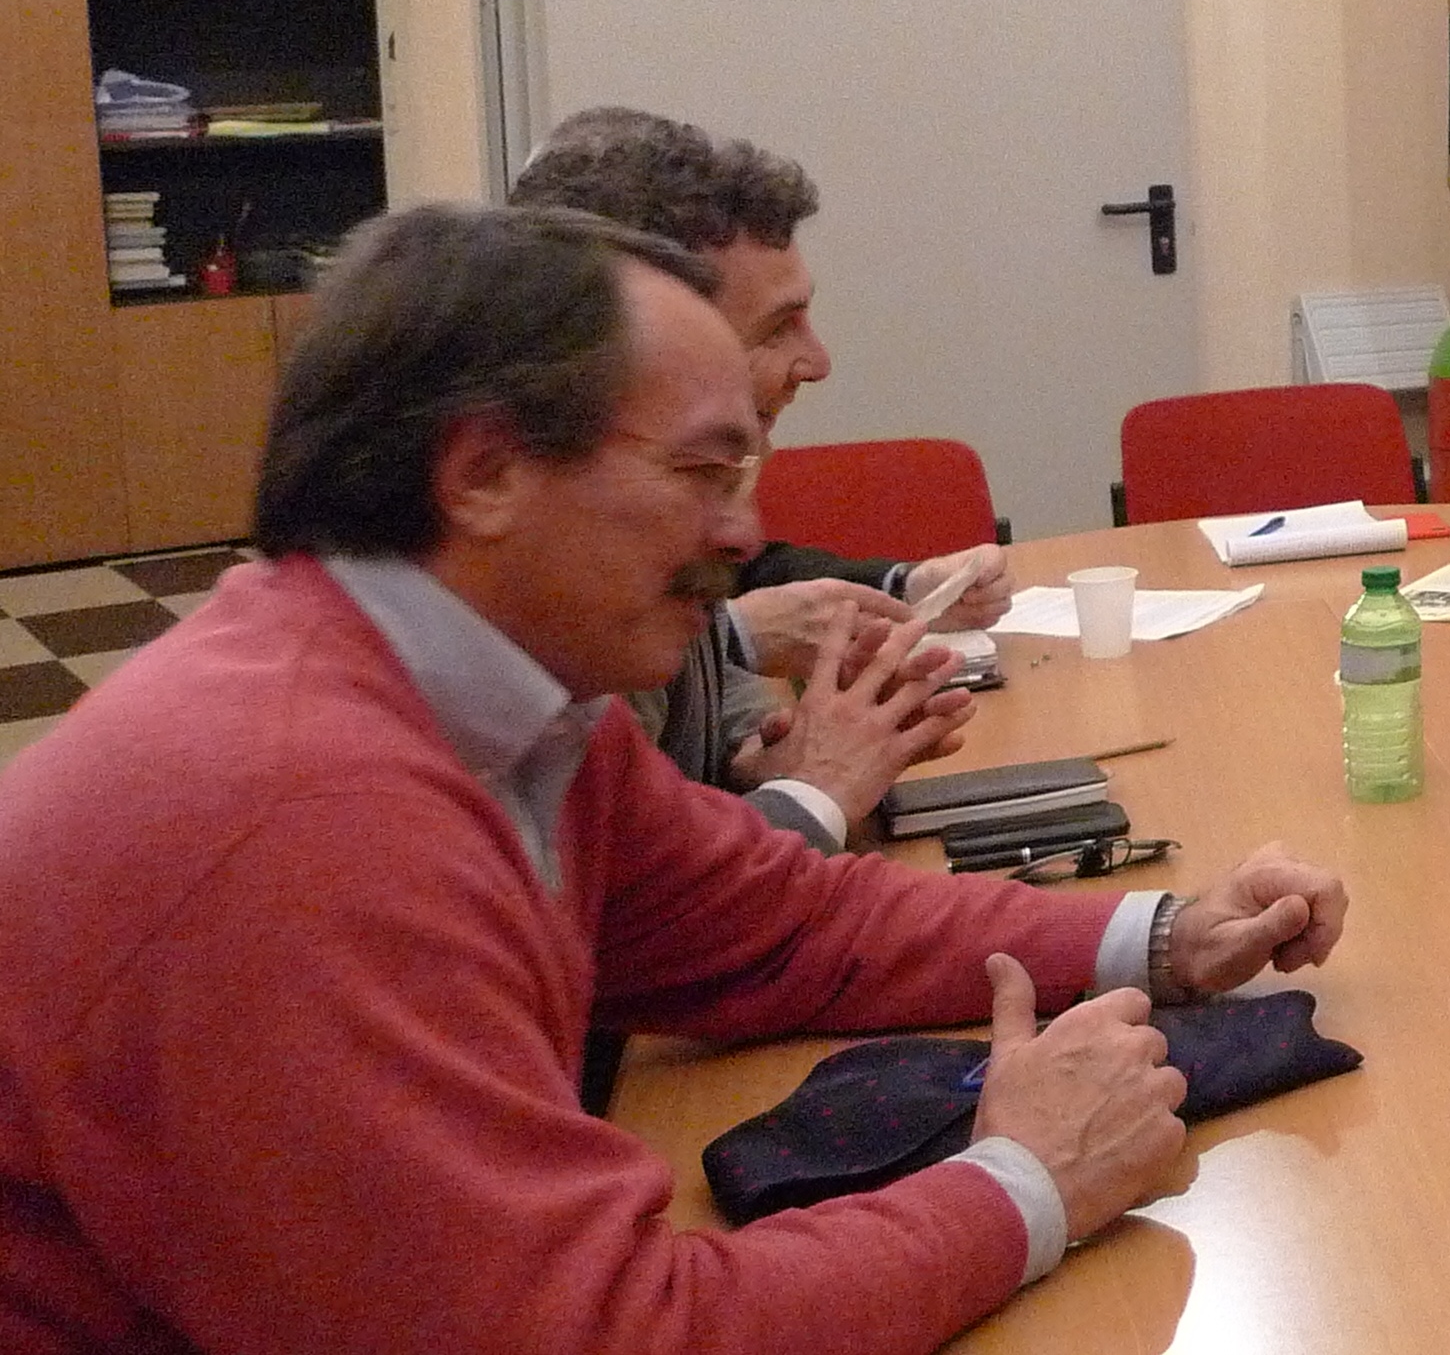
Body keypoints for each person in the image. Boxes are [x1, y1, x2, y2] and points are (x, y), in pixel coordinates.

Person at [0, 203, 1352, 1354]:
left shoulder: (497, 700)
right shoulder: (302, 824)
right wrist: (1025, 1182)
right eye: (704, 469)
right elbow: (607, 1333)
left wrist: (1167, 935)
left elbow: (779, 922)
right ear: (483, 472)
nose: (748, 531)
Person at [513, 105, 1014, 849]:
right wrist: (811, 794)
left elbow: (694, 763)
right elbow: (646, 902)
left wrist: (767, 760)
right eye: (778, 327)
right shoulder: (568, 593)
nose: (818, 363)